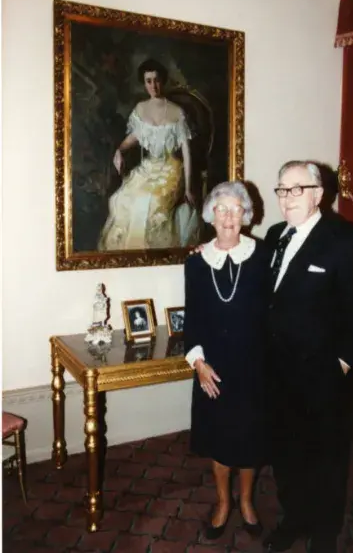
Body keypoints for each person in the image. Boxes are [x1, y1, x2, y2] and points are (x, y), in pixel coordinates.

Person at [263, 161, 353, 553]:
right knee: (287, 456)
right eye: (281, 189)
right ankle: (294, 519)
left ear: (319, 193)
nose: (287, 198)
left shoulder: (347, 240)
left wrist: (343, 364)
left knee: (326, 460)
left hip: (324, 379)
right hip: (279, 376)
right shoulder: (275, 235)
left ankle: (324, 534)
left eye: (297, 189)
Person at [184, 181, 269, 540]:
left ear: (246, 215)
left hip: (255, 365)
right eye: (222, 209)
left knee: (249, 439)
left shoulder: (264, 256)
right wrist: (199, 365)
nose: (229, 216)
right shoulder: (196, 262)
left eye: (236, 209)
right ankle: (223, 503)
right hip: (214, 367)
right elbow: (194, 318)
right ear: (211, 216)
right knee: (219, 437)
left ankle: (247, 502)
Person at [98, 58, 198, 250]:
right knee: (121, 199)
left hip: (170, 169)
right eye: (148, 81)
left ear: (163, 80)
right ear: (144, 83)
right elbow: (135, 137)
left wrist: (187, 188)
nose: (153, 85)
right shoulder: (141, 109)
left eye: (157, 80)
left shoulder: (177, 112)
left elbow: (187, 152)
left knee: (151, 202)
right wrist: (119, 150)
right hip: (148, 168)